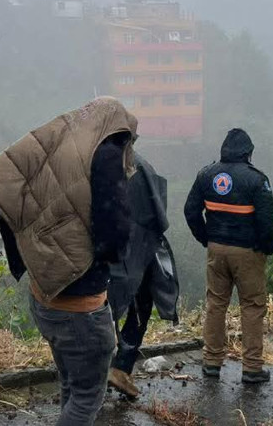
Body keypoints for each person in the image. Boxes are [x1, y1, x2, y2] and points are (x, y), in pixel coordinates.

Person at [0, 97, 137, 426]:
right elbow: (114, 231)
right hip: (82, 308)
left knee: (71, 386)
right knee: (88, 396)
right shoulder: (105, 154)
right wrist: (111, 257)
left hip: (44, 295)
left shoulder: (59, 145)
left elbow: (5, 184)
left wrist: (23, 251)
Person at [184, 128, 273, 384]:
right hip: (248, 252)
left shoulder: (206, 175)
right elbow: (268, 220)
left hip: (217, 249)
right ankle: (252, 368)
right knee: (252, 305)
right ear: (248, 153)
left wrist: (206, 238)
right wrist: (266, 248)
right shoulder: (257, 180)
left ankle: (211, 362)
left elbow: (190, 211)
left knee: (216, 303)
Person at [107, 153, 180, 399]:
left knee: (103, 309)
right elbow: (157, 212)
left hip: (105, 252)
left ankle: (106, 370)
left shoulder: (90, 163)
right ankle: (120, 367)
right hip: (137, 249)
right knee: (140, 306)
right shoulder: (139, 165)